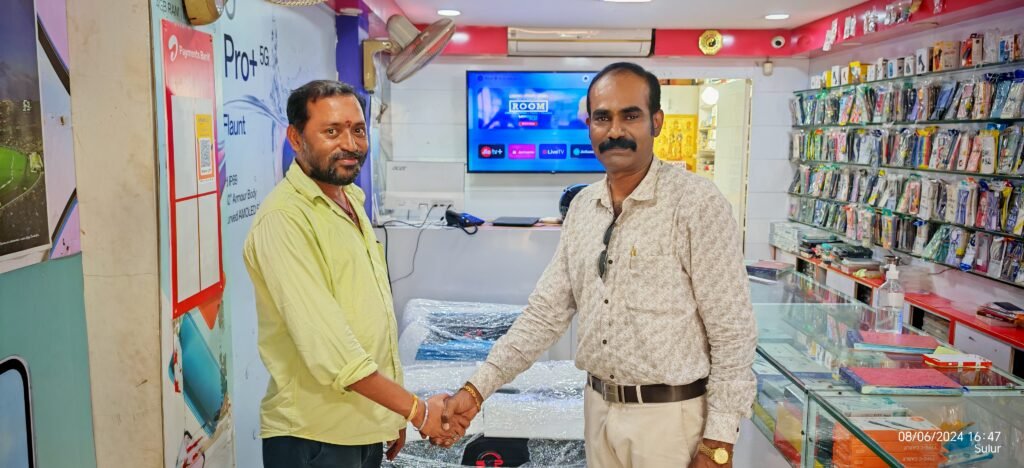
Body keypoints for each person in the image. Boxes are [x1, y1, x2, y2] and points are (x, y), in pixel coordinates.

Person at [435, 63, 757, 468]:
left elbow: (732, 331)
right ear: (589, 126)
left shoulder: (696, 204)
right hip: (598, 410)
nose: (615, 130)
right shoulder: (585, 207)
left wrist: (719, 441)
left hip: (671, 423)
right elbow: (545, 313)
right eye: (602, 117)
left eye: (630, 115)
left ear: (656, 122)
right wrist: (477, 388)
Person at [243, 80, 465, 468]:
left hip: (362, 428)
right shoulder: (285, 221)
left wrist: (390, 414)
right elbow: (333, 351)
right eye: (332, 131)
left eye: (358, 130)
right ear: (295, 138)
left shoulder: (348, 201)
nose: (350, 144)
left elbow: (367, 323)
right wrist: (416, 410)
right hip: (314, 439)